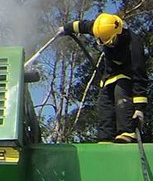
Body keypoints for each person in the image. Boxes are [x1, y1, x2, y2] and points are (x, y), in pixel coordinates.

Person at [60, 13, 148, 143]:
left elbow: (140, 76)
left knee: (120, 92)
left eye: (110, 41)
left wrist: (139, 108)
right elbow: (82, 26)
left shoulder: (133, 45)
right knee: (104, 102)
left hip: (126, 76)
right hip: (109, 75)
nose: (108, 45)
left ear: (118, 34)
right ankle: (105, 138)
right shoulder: (101, 27)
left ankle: (126, 132)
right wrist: (66, 28)